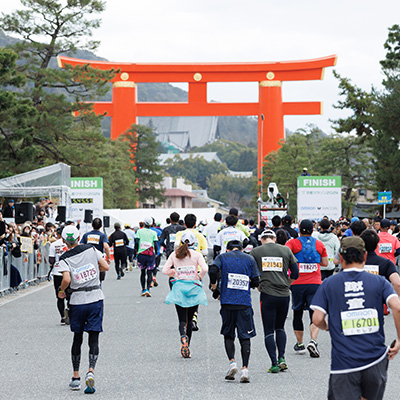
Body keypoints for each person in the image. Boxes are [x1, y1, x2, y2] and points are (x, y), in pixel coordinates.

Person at [311, 237, 400, 400]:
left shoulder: (329, 283)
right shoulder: (380, 282)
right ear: (365, 256)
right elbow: (397, 307)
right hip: (376, 360)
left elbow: (316, 319)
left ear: (341, 257)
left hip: (344, 363)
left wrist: (328, 326)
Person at [56, 225, 109, 393]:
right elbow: (105, 267)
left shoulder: (64, 258)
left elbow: (66, 278)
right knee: (93, 337)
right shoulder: (92, 249)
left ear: (64, 240)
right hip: (95, 297)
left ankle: (76, 377)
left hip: (77, 300)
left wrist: (61, 291)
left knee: (77, 338)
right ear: (79, 237)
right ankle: (91, 370)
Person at [209, 240, 260, 382]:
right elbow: (256, 281)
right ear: (242, 249)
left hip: (227, 303)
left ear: (227, 249)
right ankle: (245, 369)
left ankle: (232, 362)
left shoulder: (223, 257)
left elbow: (212, 270)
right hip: (244, 304)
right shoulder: (249, 258)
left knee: (228, 334)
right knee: (245, 337)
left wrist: (214, 286)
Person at [250, 230, 299, 373]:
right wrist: (287, 283)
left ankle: (274, 363)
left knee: (268, 330)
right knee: (280, 327)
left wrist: (258, 284)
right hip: (284, 295)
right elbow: (295, 273)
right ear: (275, 238)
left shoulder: (256, 252)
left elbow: (251, 272)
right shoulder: (286, 250)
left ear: (261, 239)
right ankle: (282, 357)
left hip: (267, 295)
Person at [162, 231, 208, 359]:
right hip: (193, 287)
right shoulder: (197, 254)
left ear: (181, 242)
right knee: (190, 318)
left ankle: (183, 336)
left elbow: (164, 270)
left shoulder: (174, 254)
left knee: (182, 319)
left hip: (179, 288)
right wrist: (199, 276)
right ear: (194, 243)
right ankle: (188, 345)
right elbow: (205, 269)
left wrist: (174, 272)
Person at [285, 219, 328, 357]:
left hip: (297, 283)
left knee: (297, 312)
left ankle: (300, 344)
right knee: (313, 313)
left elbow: (285, 259)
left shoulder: (292, 243)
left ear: (299, 228)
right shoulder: (319, 244)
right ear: (313, 229)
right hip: (315, 283)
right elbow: (326, 263)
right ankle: (313, 341)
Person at [360, 229, 400, 295]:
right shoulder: (387, 264)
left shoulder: (354, 263)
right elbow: (397, 283)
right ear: (377, 246)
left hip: (357, 302)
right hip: (379, 302)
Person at [49, 225, 69, 324]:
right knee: (70, 294)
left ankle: (62, 316)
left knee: (59, 295)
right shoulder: (70, 243)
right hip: (69, 271)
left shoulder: (54, 244)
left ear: (57, 234)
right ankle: (71, 314)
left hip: (57, 271)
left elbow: (51, 259)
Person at [135, 217, 158, 296]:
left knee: (142, 272)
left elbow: (137, 242)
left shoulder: (139, 231)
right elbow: (155, 244)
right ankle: (148, 289)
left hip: (141, 254)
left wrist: (136, 251)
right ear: (151, 224)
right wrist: (156, 252)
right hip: (150, 254)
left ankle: (143, 289)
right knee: (149, 272)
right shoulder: (153, 233)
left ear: (144, 223)